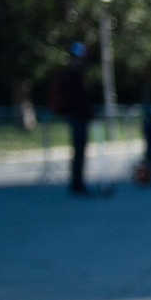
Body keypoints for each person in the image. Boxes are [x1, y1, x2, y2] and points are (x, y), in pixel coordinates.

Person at [48, 44, 95, 195]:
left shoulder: (78, 75)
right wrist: (87, 112)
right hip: (76, 117)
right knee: (78, 150)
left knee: (80, 151)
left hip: (79, 116)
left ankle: (78, 182)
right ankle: (77, 184)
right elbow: (76, 100)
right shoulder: (70, 76)